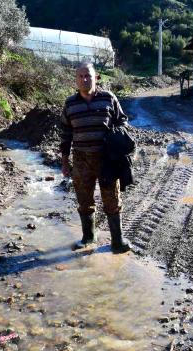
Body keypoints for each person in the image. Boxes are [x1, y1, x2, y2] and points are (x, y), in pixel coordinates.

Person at [60, 62, 131, 254]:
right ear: (76, 80)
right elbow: (65, 134)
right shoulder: (70, 104)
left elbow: (122, 120)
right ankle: (88, 237)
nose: (84, 79)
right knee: (84, 200)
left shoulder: (109, 98)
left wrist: (117, 135)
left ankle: (117, 241)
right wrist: (65, 162)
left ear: (96, 77)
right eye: (81, 76)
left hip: (107, 160)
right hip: (81, 159)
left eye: (88, 76)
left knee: (112, 199)